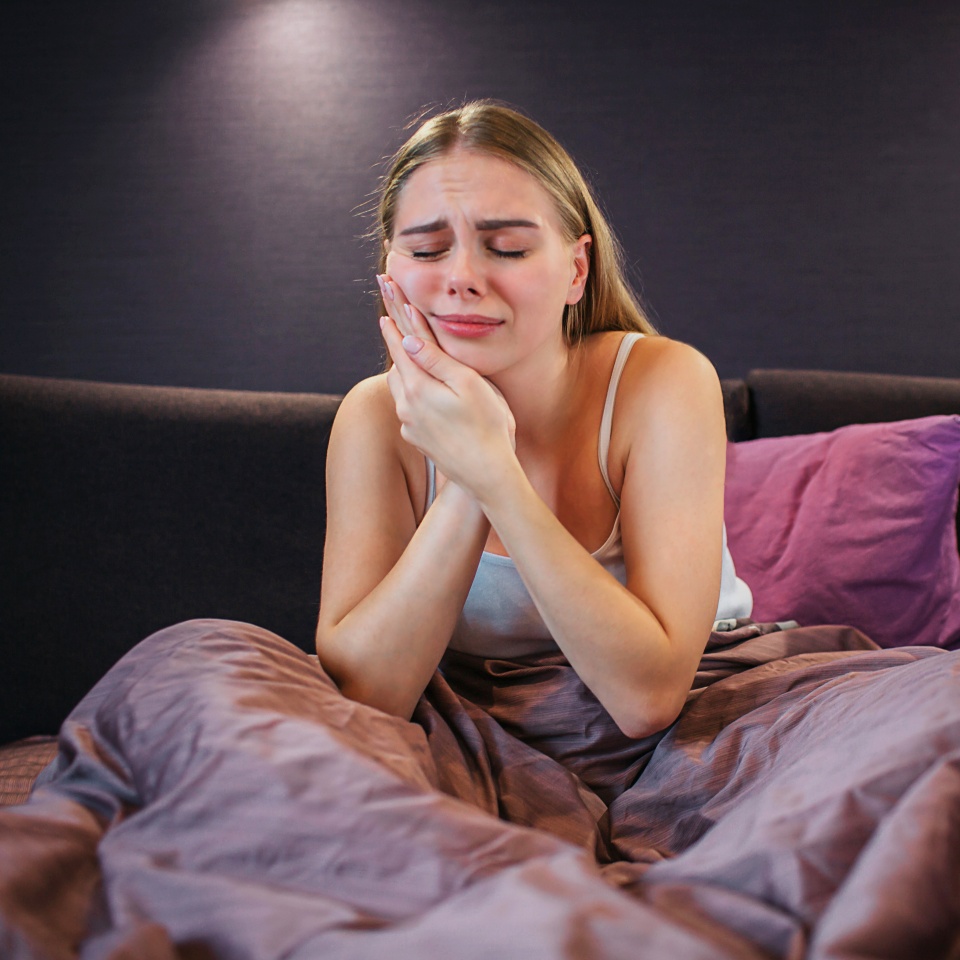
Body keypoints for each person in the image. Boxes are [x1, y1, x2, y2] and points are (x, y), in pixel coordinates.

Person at [315, 100, 751, 742]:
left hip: (700, 712)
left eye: (508, 249)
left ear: (577, 270)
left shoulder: (666, 380)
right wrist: (466, 471)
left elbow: (648, 698)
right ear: (390, 271)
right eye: (428, 250)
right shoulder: (372, 418)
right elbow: (366, 699)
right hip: (482, 725)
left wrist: (494, 473)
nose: (461, 278)